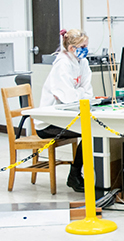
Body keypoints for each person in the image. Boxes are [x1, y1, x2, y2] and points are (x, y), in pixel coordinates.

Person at [36, 29, 93, 193]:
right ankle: (75, 176)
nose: (86, 49)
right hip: (48, 123)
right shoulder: (62, 64)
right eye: (83, 46)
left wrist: (79, 94)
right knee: (89, 133)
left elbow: (87, 92)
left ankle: (78, 175)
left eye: (86, 45)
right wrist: (80, 94)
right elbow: (69, 98)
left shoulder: (82, 62)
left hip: (68, 117)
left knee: (93, 131)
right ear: (72, 48)